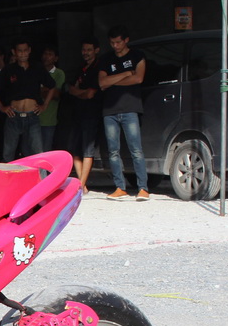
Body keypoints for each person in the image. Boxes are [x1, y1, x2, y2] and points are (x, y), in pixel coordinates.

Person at [99, 25, 149, 201]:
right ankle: (120, 187)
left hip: (130, 108)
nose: (115, 46)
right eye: (112, 43)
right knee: (113, 151)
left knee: (136, 150)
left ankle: (143, 188)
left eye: (118, 42)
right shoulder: (106, 59)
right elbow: (102, 83)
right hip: (110, 110)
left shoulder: (137, 55)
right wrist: (126, 73)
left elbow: (138, 78)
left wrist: (112, 81)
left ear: (126, 40)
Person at [0, 39, 54, 160]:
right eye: (20, 51)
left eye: (25, 50)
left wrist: (45, 105)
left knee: (38, 152)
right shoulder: (9, 69)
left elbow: (52, 86)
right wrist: (1, 107)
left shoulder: (37, 67)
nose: (23, 53)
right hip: (14, 116)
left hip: (32, 115)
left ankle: (40, 173)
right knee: (8, 152)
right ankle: (9, 173)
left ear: (29, 51)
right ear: (14, 52)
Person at [65, 38, 102, 193]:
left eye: (89, 50)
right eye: (84, 50)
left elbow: (91, 94)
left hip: (91, 113)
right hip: (77, 112)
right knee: (74, 149)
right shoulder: (80, 68)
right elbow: (70, 89)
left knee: (88, 150)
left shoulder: (98, 68)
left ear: (96, 50)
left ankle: (81, 183)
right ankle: (82, 185)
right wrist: (82, 92)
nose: (85, 53)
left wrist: (78, 92)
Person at [39, 45, 66, 151]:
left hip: (50, 119)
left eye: (50, 54)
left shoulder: (59, 73)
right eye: (45, 54)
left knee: (46, 149)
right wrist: (48, 89)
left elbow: (56, 94)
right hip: (34, 119)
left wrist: (40, 90)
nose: (46, 56)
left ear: (56, 58)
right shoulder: (37, 71)